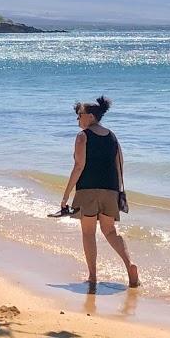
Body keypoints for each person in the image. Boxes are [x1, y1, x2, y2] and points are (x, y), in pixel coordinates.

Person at [58, 95, 139, 293]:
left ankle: (93, 277)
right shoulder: (112, 136)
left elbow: (79, 166)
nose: (78, 119)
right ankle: (130, 265)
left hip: (88, 189)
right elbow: (120, 164)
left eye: (80, 115)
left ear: (91, 117)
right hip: (111, 189)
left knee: (88, 233)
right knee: (110, 231)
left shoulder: (83, 136)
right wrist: (119, 191)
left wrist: (65, 196)